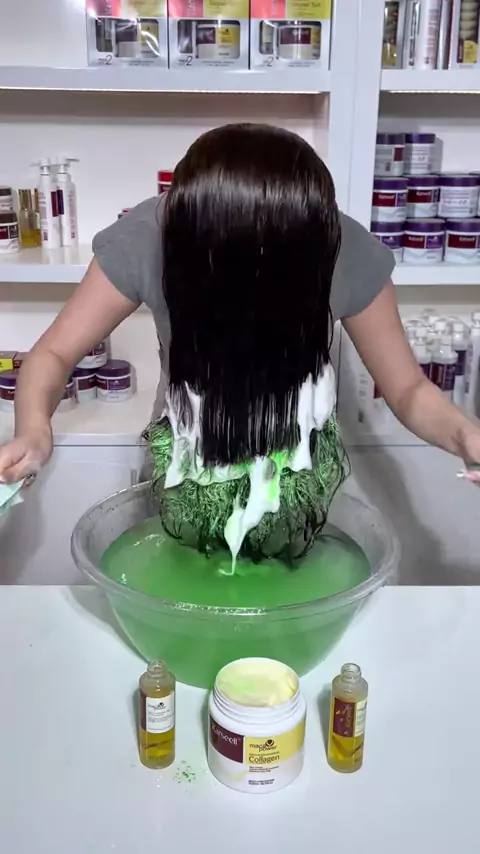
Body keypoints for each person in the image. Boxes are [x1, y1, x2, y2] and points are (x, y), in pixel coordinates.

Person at [1, 122, 480, 491]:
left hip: (295, 469)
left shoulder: (340, 245)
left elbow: (408, 389)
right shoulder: (151, 235)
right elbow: (55, 353)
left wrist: (464, 435)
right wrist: (33, 431)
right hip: (184, 459)